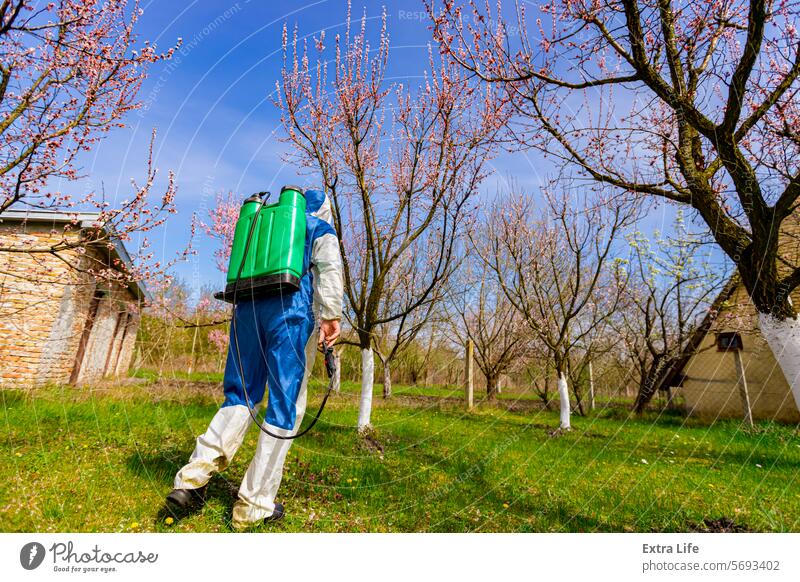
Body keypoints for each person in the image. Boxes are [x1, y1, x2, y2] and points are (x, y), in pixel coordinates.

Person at [165, 188, 343, 530]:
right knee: (284, 406)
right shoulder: (316, 226)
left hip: (246, 308)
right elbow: (330, 269)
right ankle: (253, 504)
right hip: (288, 312)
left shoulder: (262, 223)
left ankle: (190, 480)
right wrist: (332, 314)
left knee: (240, 396)